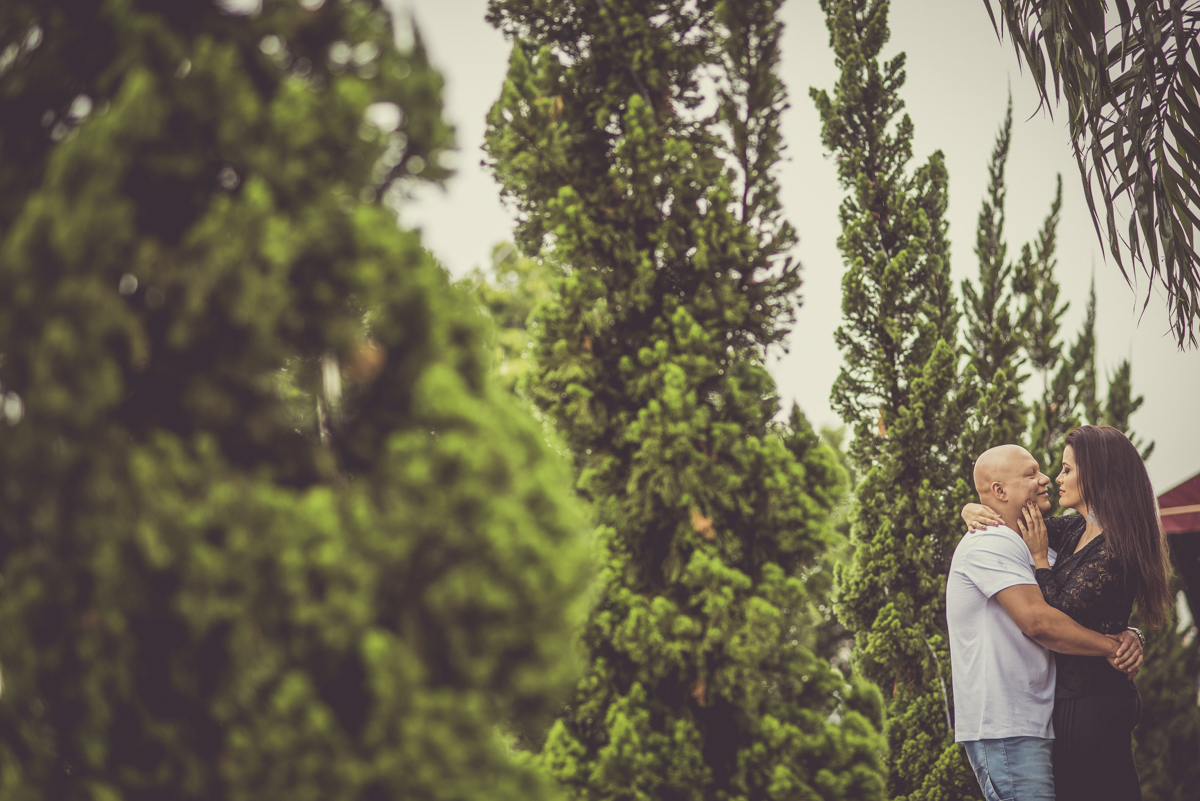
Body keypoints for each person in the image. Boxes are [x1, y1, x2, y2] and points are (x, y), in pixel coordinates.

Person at [962, 426, 1170, 801]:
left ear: (1097, 474)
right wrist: (973, 507)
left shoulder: (1117, 549)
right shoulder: (1076, 529)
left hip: (1094, 701)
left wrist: (1041, 561)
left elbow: (1054, 616)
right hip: (1068, 703)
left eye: (1066, 470)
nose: (1054, 479)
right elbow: (1015, 520)